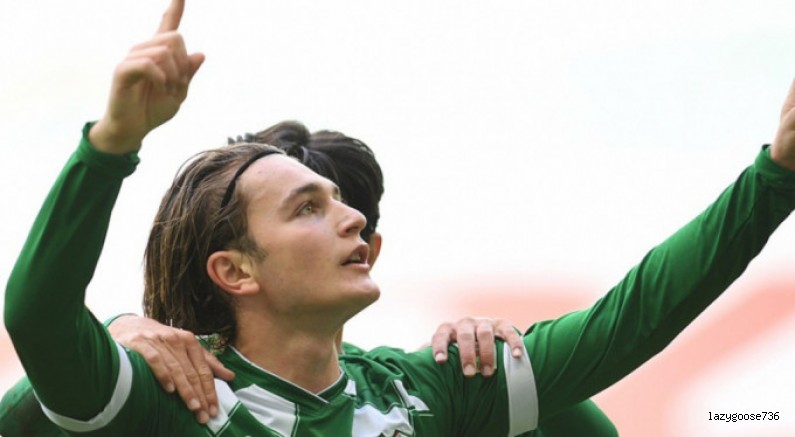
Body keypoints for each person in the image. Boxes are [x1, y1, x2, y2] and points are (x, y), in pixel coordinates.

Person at [6, 0, 795, 435]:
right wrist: (111, 145)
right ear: (234, 269)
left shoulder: (431, 388)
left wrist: (775, 174)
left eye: (344, 202)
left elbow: (632, 318)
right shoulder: (167, 399)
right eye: (307, 207)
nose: (353, 220)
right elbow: (38, 318)